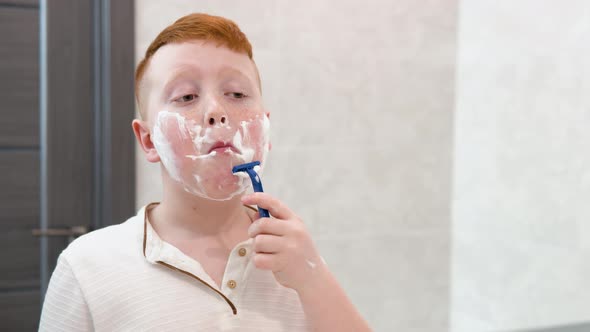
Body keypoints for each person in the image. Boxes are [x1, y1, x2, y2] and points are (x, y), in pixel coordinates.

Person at [39, 13, 371, 331]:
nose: (216, 111)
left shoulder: (296, 258)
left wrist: (312, 279)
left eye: (237, 94)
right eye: (186, 96)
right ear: (149, 140)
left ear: (265, 128)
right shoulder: (86, 267)